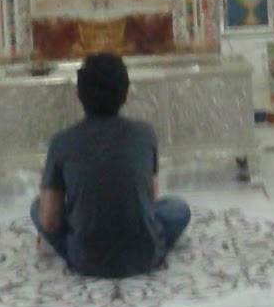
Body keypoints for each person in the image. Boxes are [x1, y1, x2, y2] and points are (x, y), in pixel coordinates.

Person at [30, 52, 191, 278]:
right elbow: (150, 198)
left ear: (78, 95)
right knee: (178, 209)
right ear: (125, 94)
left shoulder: (62, 142)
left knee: (38, 207)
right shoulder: (144, 134)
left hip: (85, 260)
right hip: (144, 255)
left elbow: (49, 220)